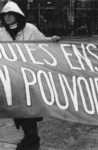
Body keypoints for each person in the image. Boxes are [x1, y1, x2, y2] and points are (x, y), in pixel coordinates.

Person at [0, 1, 60, 150]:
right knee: (17, 110)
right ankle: (29, 137)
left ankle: (32, 139)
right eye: (5, 15)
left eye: (10, 15)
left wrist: (52, 40)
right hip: (11, 81)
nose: (7, 18)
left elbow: (42, 42)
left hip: (28, 79)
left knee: (29, 111)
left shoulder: (30, 29)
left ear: (17, 15)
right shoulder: (1, 33)